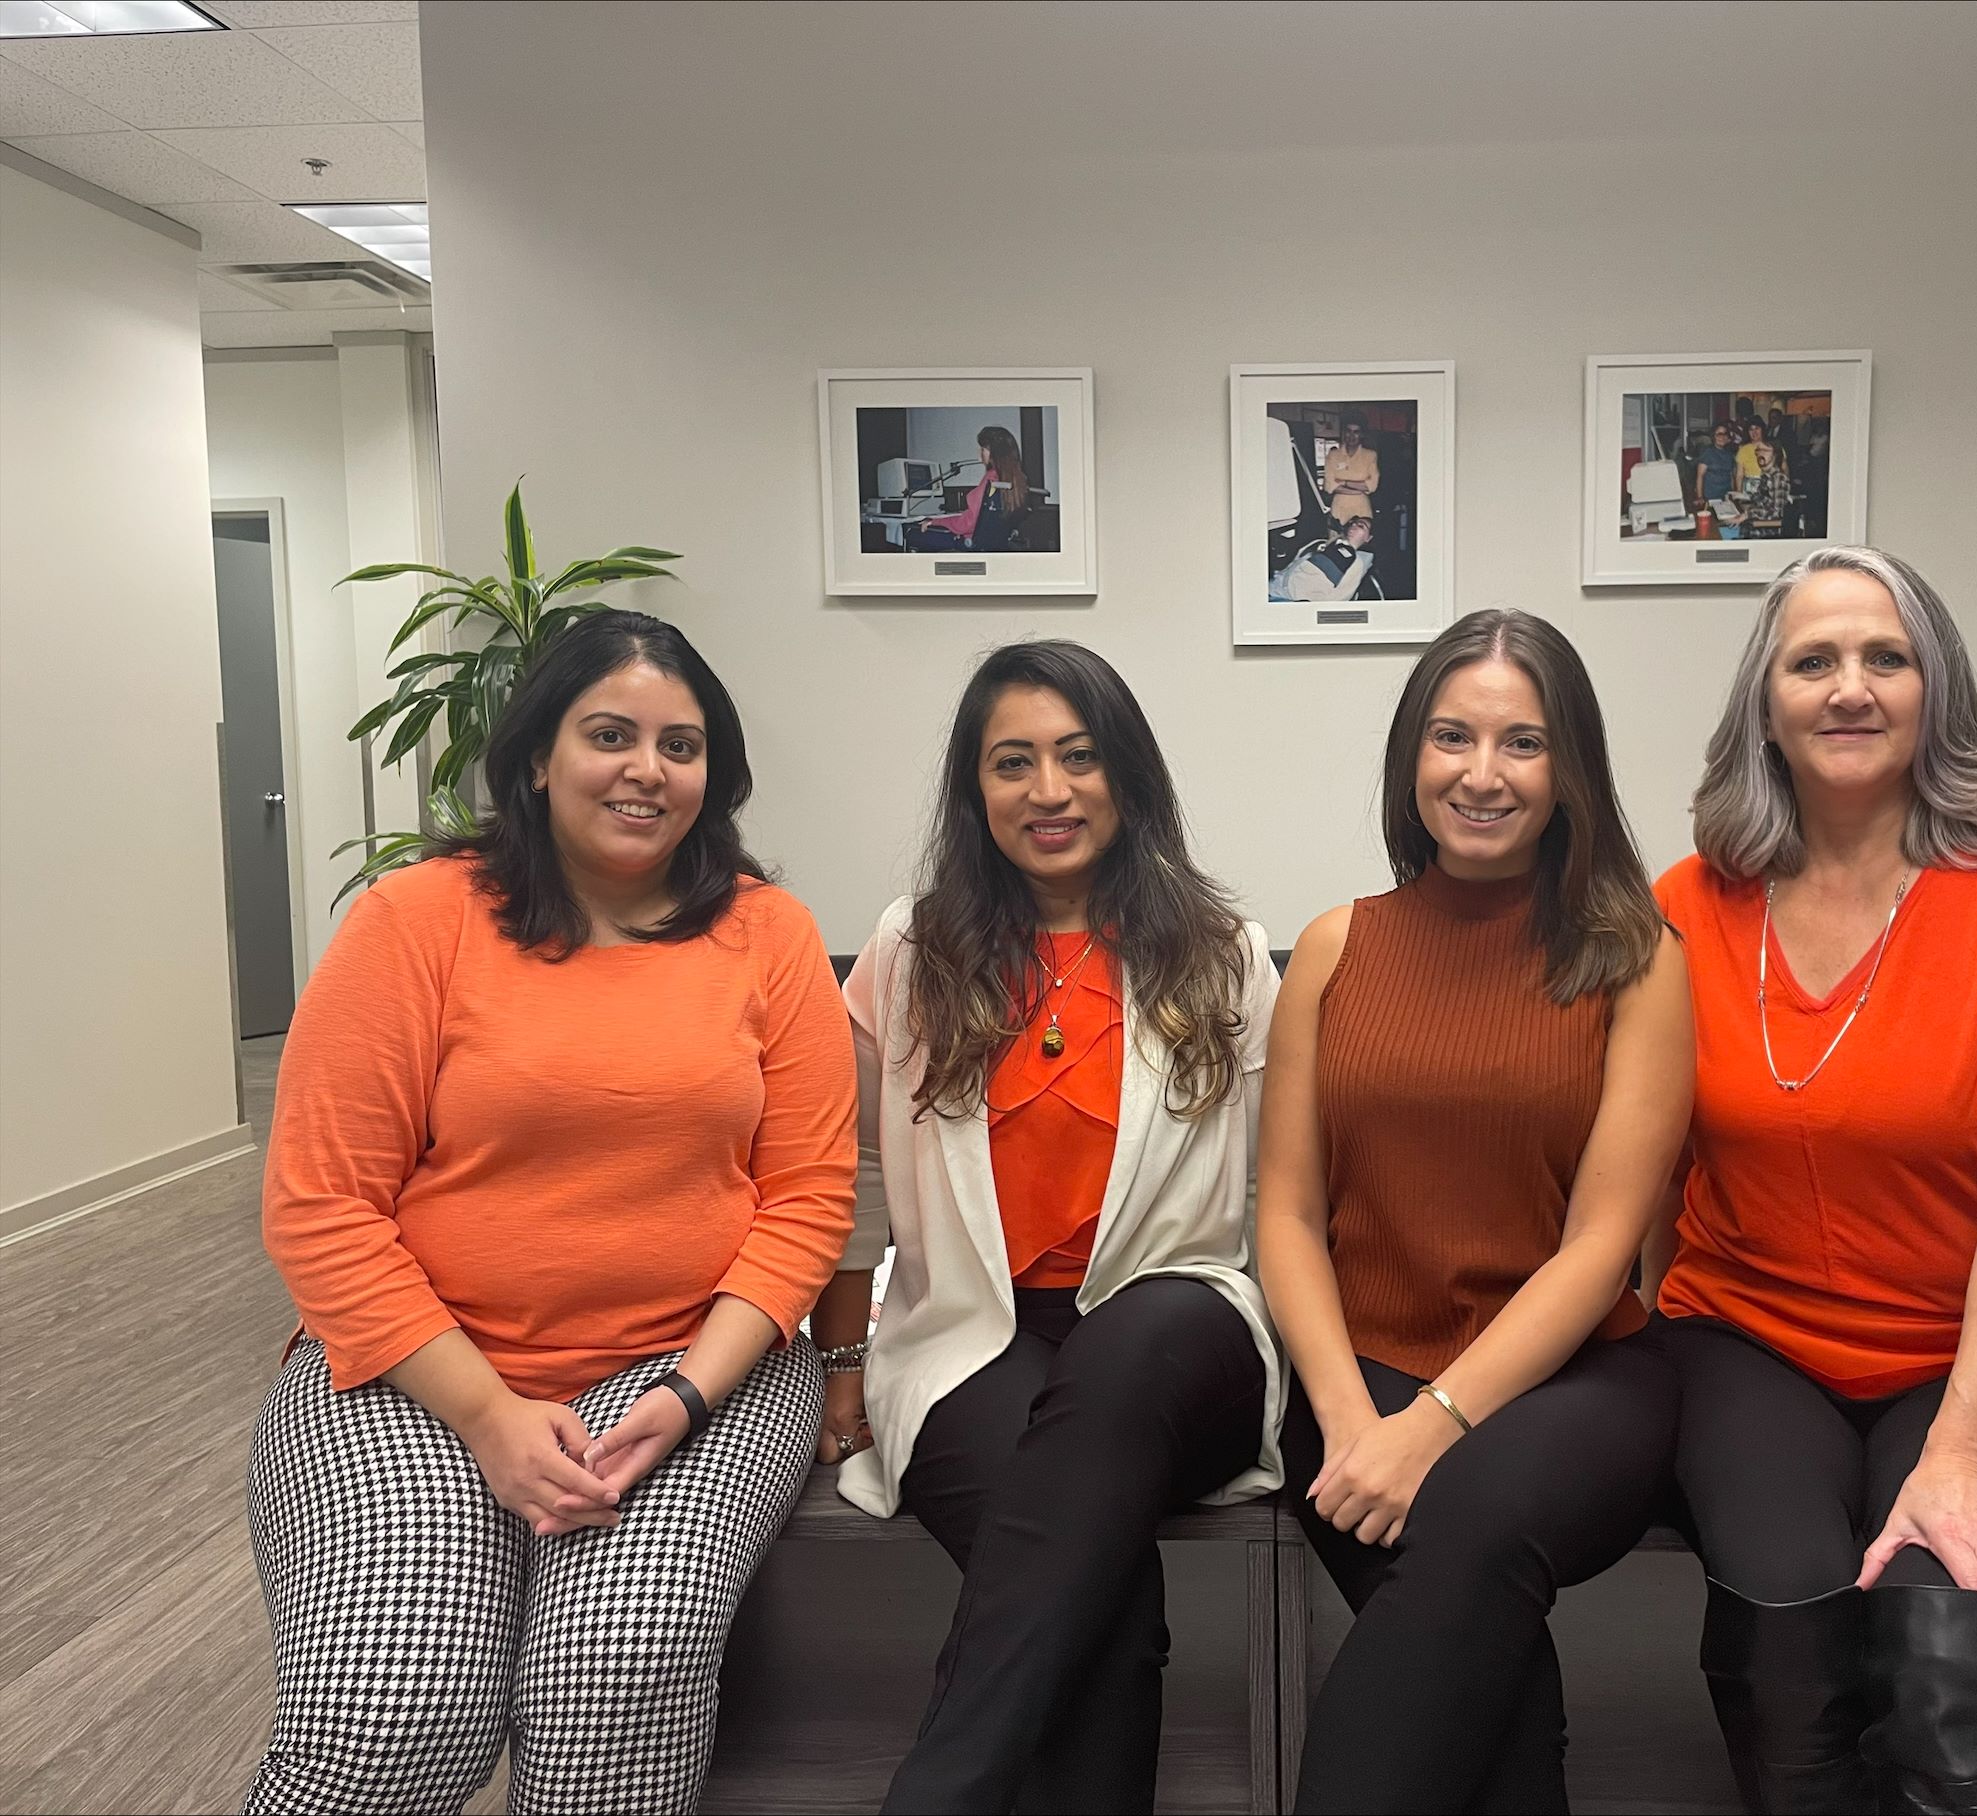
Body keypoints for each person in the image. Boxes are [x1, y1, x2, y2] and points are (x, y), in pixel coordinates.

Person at [247, 611, 860, 1815]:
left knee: (611, 1672)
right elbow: (321, 1205)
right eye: (610, 734)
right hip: (417, 1375)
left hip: (696, 1373)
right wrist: (484, 1412)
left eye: (680, 746)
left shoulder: (768, 934)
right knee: (397, 1705)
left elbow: (805, 1199)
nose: (646, 769)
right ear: (536, 754)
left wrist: (683, 1394)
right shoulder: (414, 920)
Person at [1647, 546, 1977, 1814]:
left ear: (1938, 689)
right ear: (1765, 701)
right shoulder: (1687, 905)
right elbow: (1641, 1171)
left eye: (1886, 657)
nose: (1848, 687)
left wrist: (1960, 1460)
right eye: (1811, 661)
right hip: (1748, 1337)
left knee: (1942, 1626)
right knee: (1787, 1621)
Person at [815, 640, 1285, 1814]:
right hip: (974, 1335)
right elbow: (831, 1172)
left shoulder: (1222, 952)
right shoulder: (911, 951)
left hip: (1180, 1327)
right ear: (974, 791)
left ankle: (936, 1790)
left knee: (1129, 1349)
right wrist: (839, 1355)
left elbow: (1284, 1184)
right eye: (1011, 762)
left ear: (1126, 774)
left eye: (1079, 757)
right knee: (1100, 1603)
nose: (1049, 790)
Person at [1258, 609, 1695, 1812]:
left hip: (1576, 1381)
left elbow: (1605, 1245)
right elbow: (1287, 1213)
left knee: (1465, 1539)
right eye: (1452, 736)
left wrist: (1432, 1426)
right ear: (1413, 756)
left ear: (1570, 771)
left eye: (1522, 742)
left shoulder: (1635, 956)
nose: (1481, 774)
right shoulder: (1336, 944)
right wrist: (1352, 1419)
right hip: (1354, 1380)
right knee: (1488, 1685)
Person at [914, 424, 1032, 552]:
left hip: (971, 543)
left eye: (982, 450)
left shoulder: (991, 479)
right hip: (996, 545)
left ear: (994, 452)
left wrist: (934, 522)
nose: (979, 455)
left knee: (911, 532)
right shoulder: (1018, 480)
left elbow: (966, 524)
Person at [1272, 513, 1377, 601]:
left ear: (1368, 538)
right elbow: (1294, 564)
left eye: (1361, 526)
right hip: (1277, 586)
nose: (1354, 526)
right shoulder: (1322, 543)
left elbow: (1341, 597)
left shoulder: (1356, 562)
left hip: (1295, 599)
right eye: (1353, 523)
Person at [1322, 411, 1380, 524]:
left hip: (1362, 509)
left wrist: (1343, 482)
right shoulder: (1333, 455)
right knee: (1337, 540)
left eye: (1356, 432)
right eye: (1348, 431)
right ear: (1344, 433)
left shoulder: (1370, 455)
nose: (1351, 436)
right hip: (1339, 508)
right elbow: (1329, 487)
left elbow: (1372, 486)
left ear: (1362, 434)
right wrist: (1359, 489)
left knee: (1358, 539)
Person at [1738, 418, 1792, 538]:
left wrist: (1747, 514)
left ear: (1775, 454)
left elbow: (1776, 512)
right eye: (1758, 451)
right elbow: (1761, 498)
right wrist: (1744, 497)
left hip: (1764, 532)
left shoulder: (1778, 479)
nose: (1760, 454)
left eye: (1765, 451)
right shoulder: (1765, 476)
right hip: (1755, 525)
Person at [1695, 421, 1739, 513]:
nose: (1722, 437)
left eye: (1725, 434)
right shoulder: (1708, 453)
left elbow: (1731, 476)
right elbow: (1700, 476)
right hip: (1710, 499)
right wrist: (1700, 497)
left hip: (1726, 498)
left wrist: (1733, 494)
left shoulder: (1730, 454)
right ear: (1713, 436)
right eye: (1719, 434)